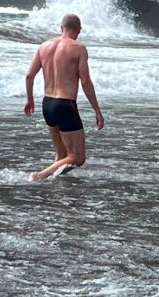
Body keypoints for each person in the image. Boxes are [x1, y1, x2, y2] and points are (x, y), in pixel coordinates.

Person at [25, 13, 104, 179]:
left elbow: (29, 76)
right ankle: (40, 175)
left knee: (62, 156)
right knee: (77, 157)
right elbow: (86, 82)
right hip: (65, 105)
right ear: (79, 30)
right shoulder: (79, 49)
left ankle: (58, 190)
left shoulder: (44, 46)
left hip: (47, 104)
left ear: (61, 28)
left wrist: (30, 100)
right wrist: (97, 110)